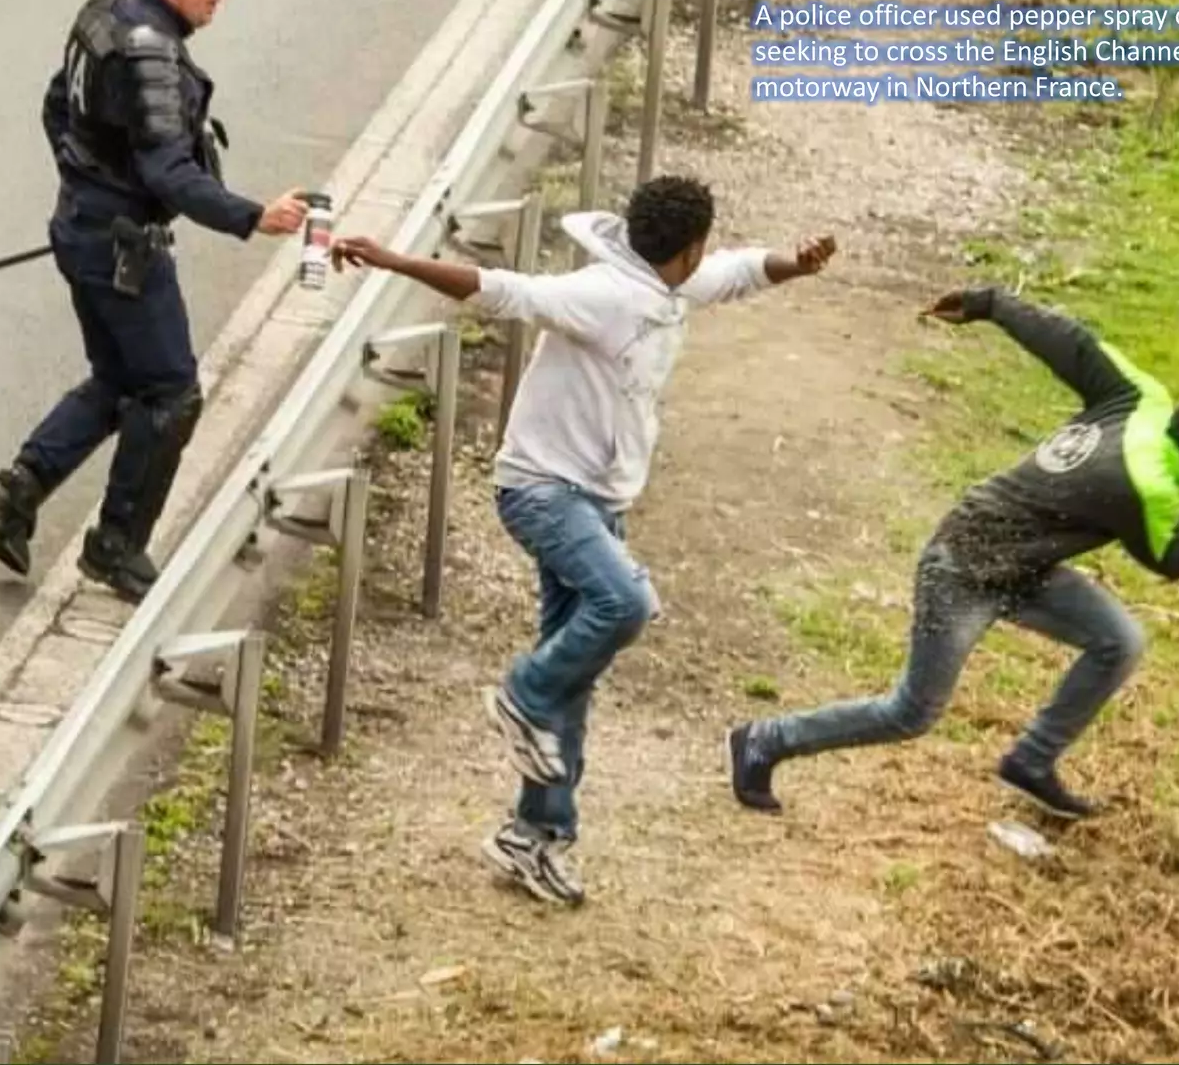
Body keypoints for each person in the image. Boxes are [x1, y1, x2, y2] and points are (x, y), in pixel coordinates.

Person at [331, 175, 838, 906]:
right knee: (626, 604)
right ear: (688, 249)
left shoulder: (673, 284)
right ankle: (523, 694)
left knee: (577, 676)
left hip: (598, 503)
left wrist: (796, 262)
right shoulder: (603, 293)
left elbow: (740, 273)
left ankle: (535, 836)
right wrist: (391, 259)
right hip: (541, 492)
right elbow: (503, 290)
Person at [728, 285, 1179, 821]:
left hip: (1021, 564)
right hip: (963, 566)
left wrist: (992, 304)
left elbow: (1071, 343)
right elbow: (1176, 558)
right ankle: (765, 739)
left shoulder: (1142, 400)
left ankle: (1030, 761)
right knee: (911, 712)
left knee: (1120, 640)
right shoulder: (1146, 486)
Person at [0, 0, 310, 603]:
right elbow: (168, 172)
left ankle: (18, 490)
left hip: (81, 230)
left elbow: (56, 107)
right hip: (122, 248)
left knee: (122, 377)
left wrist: (85, 185)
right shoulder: (152, 54)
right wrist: (253, 216)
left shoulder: (106, 16)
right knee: (171, 392)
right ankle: (115, 545)